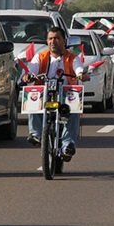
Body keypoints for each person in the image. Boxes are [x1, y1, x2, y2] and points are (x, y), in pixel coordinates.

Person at [21, 27, 90, 161]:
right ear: (47, 41)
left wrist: (81, 74)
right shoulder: (40, 56)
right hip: (45, 92)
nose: (53, 41)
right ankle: (35, 134)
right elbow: (32, 69)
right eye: (50, 38)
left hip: (66, 93)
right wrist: (28, 76)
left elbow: (79, 69)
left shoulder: (72, 58)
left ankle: (67, 145)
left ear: (64, 41)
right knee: (32, 99)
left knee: (74, 109)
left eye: (57, 38)